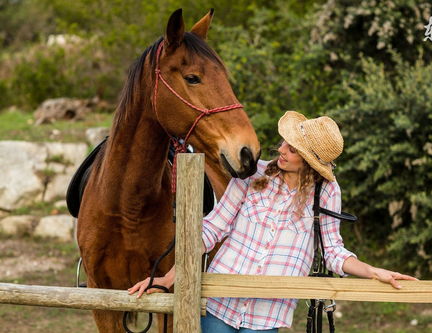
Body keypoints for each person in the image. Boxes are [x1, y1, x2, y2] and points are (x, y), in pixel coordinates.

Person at [128, 111, 417, 332]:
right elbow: (212, 228)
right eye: (284, 143)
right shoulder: (254, 176)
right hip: (219, 300)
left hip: (268, 310)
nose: (281, 149)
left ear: (308, 160)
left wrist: (372, 271)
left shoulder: (326, 192)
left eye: (292, 149)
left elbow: (333, 252)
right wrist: (168, 278)